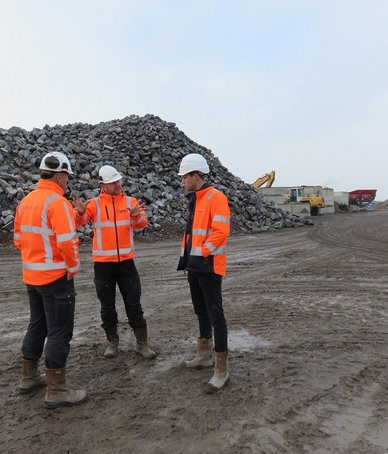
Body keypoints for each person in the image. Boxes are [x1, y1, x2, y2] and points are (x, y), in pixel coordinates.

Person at [13, 151, 87, 408]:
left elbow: (18, 240)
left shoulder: (26, 202)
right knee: (59, 331)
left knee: (38, 324)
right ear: (58, 175)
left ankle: (28, 376)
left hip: (32, 276)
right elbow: (68, 242)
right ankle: (56, 389)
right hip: (56, 277)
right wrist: (72, 267)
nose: (68, 181)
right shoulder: (58, 202)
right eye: (67, 176)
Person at [72, 165, 156, 360]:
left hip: (126, 263)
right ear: (103, 185)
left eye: (118, 181)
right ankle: (112, 342)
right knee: (107, 307)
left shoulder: (130, 202)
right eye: (112, 183)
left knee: (134, 305)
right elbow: (79, 222)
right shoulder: (93, 204)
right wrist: (79, 212)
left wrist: (134, 214)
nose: (117, 184)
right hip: (103, 265)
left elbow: (142, 224)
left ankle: (142, 343)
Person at [177, 153, 231, 393]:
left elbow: (221, 231)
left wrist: (203, 252)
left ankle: (221, 369)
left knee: (215, 314)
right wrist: (187, 257)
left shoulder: (215, 197)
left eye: (184, 177)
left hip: (208, 266)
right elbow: (192, 233)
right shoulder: (195, 199)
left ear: (195, 176)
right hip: (195, 265)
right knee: (201, 312)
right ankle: (204, 355)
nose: (182, 181)